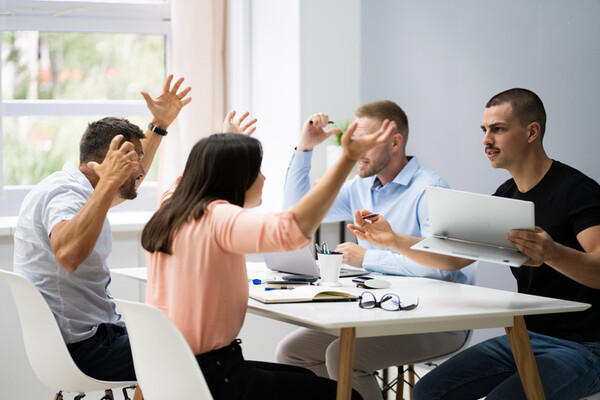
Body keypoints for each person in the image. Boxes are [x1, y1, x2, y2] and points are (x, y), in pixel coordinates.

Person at [350, 88, 600, 400]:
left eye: (498, 129)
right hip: (525, 336)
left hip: (585, 347)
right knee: (428, 391)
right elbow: (453, 257)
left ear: (532, 132)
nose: (486, 140)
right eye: (484, 130)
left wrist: (552, 253)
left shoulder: (576, 190)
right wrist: (393, 240)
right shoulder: (506, 196)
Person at [141, 116, 396, 400]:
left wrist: (224, 143)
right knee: (349, 396)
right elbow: (292, 229)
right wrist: (347, 158)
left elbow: (192, 176)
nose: (263, 178)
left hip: (171, 371)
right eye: (257, 170)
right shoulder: (218, 217)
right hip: (215, 379)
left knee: (306, 377)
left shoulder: (170, 209)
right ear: (235, 176)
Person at [277, 103, 476, 399]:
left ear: (395, 142)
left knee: (343, 357)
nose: (356, 148)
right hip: (379, 310)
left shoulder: (430, 190)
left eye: (365, 140)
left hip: (439, 319)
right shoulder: (361, 186)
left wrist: (368, 258)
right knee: (293, 353)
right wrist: (305, 148)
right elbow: (297, 212)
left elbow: (441, 268)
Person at [12, 75, 191, 381]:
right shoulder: (64, 195)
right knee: (195, 354)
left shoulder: (84, 192)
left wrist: (158, 126)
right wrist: (110, 181)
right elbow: (68, 256)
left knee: (178, 341)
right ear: (110, 161)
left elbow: (129, 182)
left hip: (87, 341)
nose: (142, 170)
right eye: (134, 160)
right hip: (86, 350)